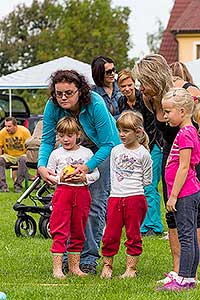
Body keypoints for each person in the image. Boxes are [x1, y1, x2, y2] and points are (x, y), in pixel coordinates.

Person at [37, 69, 121, 274]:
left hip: (100, 150)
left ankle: (88, 259)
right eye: (59, 93)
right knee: (66, 208)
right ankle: (67, 258)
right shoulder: (53, 106)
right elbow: (47, 141)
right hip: (69, 150)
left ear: (79, 90)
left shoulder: (95, 103)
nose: (63, 97)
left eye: (68, 93)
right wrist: (42, 166)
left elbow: (108, 143)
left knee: (93, 205)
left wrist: (86, 167)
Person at [134, 54, 200, 284]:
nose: (140, 87)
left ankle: (189, 273)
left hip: (189, 159)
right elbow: (155, 131)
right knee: (171, 214)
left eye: (144, 81)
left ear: (155, 76)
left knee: (192, 217)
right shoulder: (150, 98)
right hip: (168, 156)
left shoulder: (185, 93)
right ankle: (177, 270)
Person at [157, 88, 200, 291]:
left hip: (185, 193)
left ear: (182, 111)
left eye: (168, 112)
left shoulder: (186, 133)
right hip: (187, 192)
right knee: (189, 234)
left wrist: (173, 196)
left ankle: (183, 279)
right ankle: (189, 278)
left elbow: (184, 166)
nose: (165, 116)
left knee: (186, 236)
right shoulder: (186, 131)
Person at [101, 111, 152, 279]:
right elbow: (112, 172)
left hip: (135, 198)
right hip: (115, 198)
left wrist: (131, 187)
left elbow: (147, 179)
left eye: (126, 131)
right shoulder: (115, 150)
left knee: (133, 234)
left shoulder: (143, 153)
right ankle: (107, 266)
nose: (122, 134)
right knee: (110, 234)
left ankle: (131, 269)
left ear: (137, 132)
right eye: (120, 130)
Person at [47, 116, 100, 279]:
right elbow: (50, 174)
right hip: (63, 194)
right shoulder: (56, 154)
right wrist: (59, 178)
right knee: (60, 229)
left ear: (78, 134)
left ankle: (74, 267)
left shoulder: (87, 153)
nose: (65, 139)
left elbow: (96, 173)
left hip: (82, 194)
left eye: (69, 135)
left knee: (79, 229)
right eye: (61, 135)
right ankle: (57, 268)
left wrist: (85, 178)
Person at [117, 68, 163, 236]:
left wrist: (145, 147)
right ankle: (141, 224)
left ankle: (153, 226)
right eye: (123, 86)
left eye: (129, 84)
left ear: (134, 84)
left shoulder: (144, 99)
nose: (127, 88)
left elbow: (151, 127)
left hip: (152, 145)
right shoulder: (122, 102)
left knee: (150, 185)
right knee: (138, 186)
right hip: (135, 148)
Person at [0, 116, 31, 192]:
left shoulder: (24, 131)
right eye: (6, 126)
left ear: (15, 125)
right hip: (9, 156)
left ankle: (18, 185)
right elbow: (0, 147)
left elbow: (29, 146)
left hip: (22, 155)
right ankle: (3, 187)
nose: (7, 128)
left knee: (23, 159)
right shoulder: (2, 132)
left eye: (9, 126)